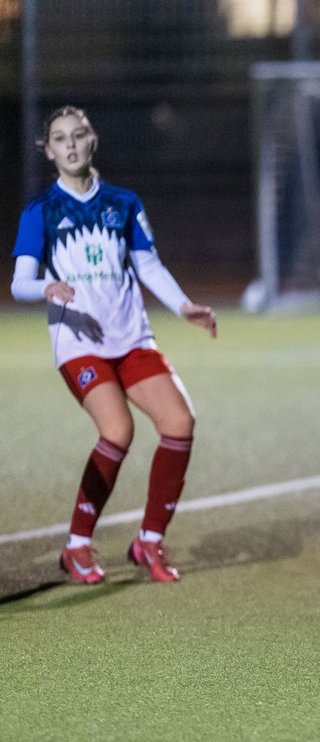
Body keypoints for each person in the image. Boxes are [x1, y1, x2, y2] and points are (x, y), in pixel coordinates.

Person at [9, 105, 217, 585]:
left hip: (131, 337)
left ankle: (149, 541)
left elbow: (148, 266)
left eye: (79, 135)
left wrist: (184, 306)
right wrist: (46, 287)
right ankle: (77, 546)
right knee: (118, 430)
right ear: (48, 150)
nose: (71, 145)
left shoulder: (123, 203)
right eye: (60, 138)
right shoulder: (40, 211)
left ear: (93, 139)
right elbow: (20, 281)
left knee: (179, 422)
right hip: (78, 342)